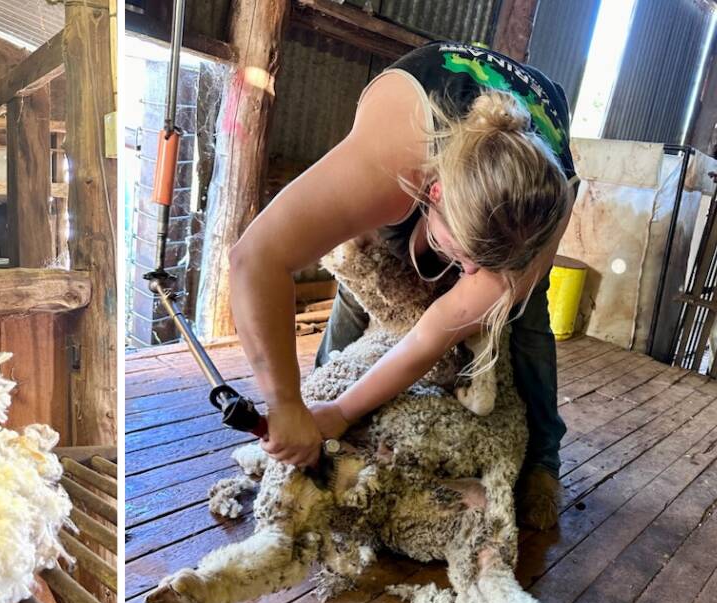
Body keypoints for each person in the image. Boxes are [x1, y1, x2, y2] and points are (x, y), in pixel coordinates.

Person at [229, 42, 575, 530]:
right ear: (432, 193)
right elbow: (254, 257)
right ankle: (318, 398)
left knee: (528, 318)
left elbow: (429, 336)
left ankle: (544, 458)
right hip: (427, 102)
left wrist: (346, 410)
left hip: (534, 133)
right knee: (364, 270)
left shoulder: (536, 226)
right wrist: (286, 404)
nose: (468, 274)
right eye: (464, 257)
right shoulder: (389, 157)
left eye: (483, 265)